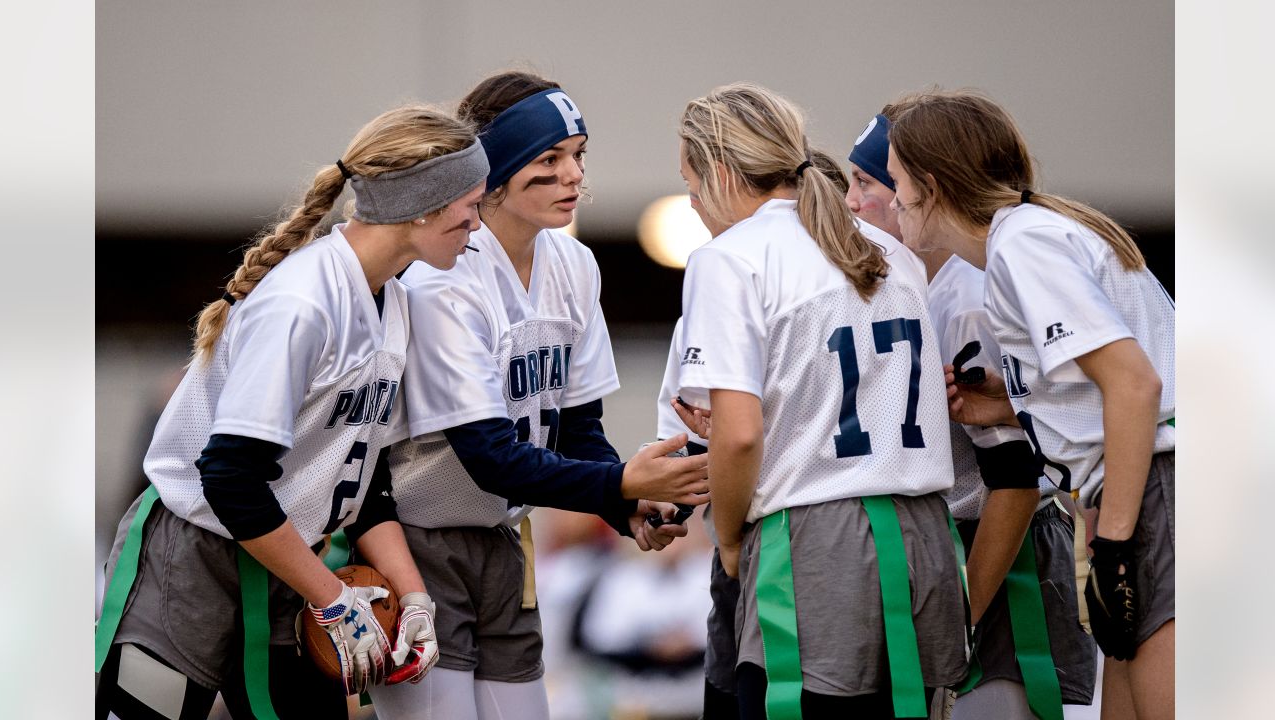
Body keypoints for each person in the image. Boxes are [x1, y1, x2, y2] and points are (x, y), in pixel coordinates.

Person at [95, 104, 491, 719]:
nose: (477, 221)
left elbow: (365, 476)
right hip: (196, 557)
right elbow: (228, 478)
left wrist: (415, 597)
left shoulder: (394, 301)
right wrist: (333, 597)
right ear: (421, 204)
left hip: (287, 562)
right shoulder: (304, 303)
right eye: (470, 202)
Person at [370, 71, 708, 720]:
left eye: (578, 155)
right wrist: (620, 486)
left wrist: (624, 507)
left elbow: (576, 427)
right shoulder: (446, 275)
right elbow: (487, 454)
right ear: (492, 173)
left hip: (505, 535)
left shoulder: (572, 264)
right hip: (420, 541)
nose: (574, 174)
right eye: (549, 158)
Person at [675, 82, 964, 720]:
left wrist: (727, 537)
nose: (693, 203)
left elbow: (740, 435)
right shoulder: (889, 248)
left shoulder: (729, 258)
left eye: (692, 184)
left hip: (813, 541)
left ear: (721, 173)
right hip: (922, 535)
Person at [887, 90, 1175, 720]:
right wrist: (1015, 406)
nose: (886, 194)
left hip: (1160, 493)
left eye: (894, 177)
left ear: (930, 187)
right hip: (1142, 490)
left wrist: (1117, 547)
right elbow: (1110, 392)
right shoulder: (1030, 233)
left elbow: (1136, 386)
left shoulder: (1022, 245)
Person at [846, 106, 1098, 720]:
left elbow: (1013, 480)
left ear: (922, 190)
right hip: (953, 550)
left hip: (998, 556)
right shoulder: (917, 287)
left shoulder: (970, 297)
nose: (849, 203)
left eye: (867, 184)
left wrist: (960, 615)